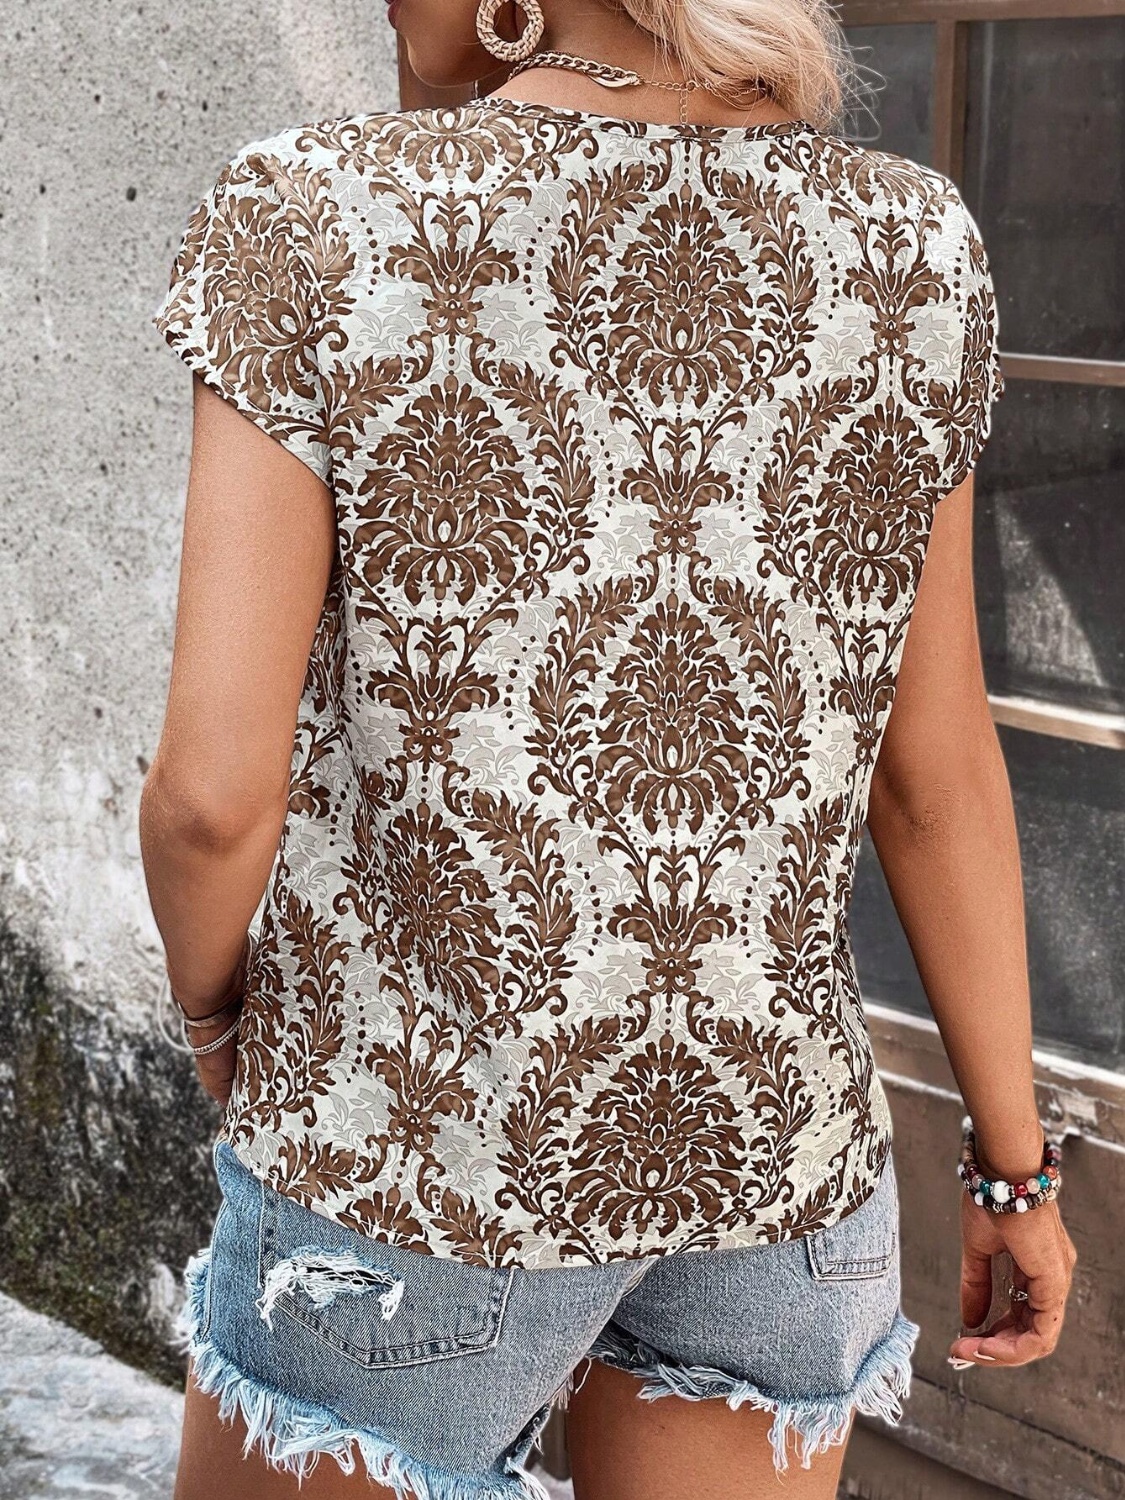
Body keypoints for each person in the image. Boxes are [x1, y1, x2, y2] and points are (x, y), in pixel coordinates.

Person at [140, 0, 1078, 1496]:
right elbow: (938, 778)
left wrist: (214, 1023)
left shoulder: (313, 211)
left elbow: (208, 799)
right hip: (770, 1158)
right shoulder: (913, 242)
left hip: (414, 1160)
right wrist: (1012, 1171)